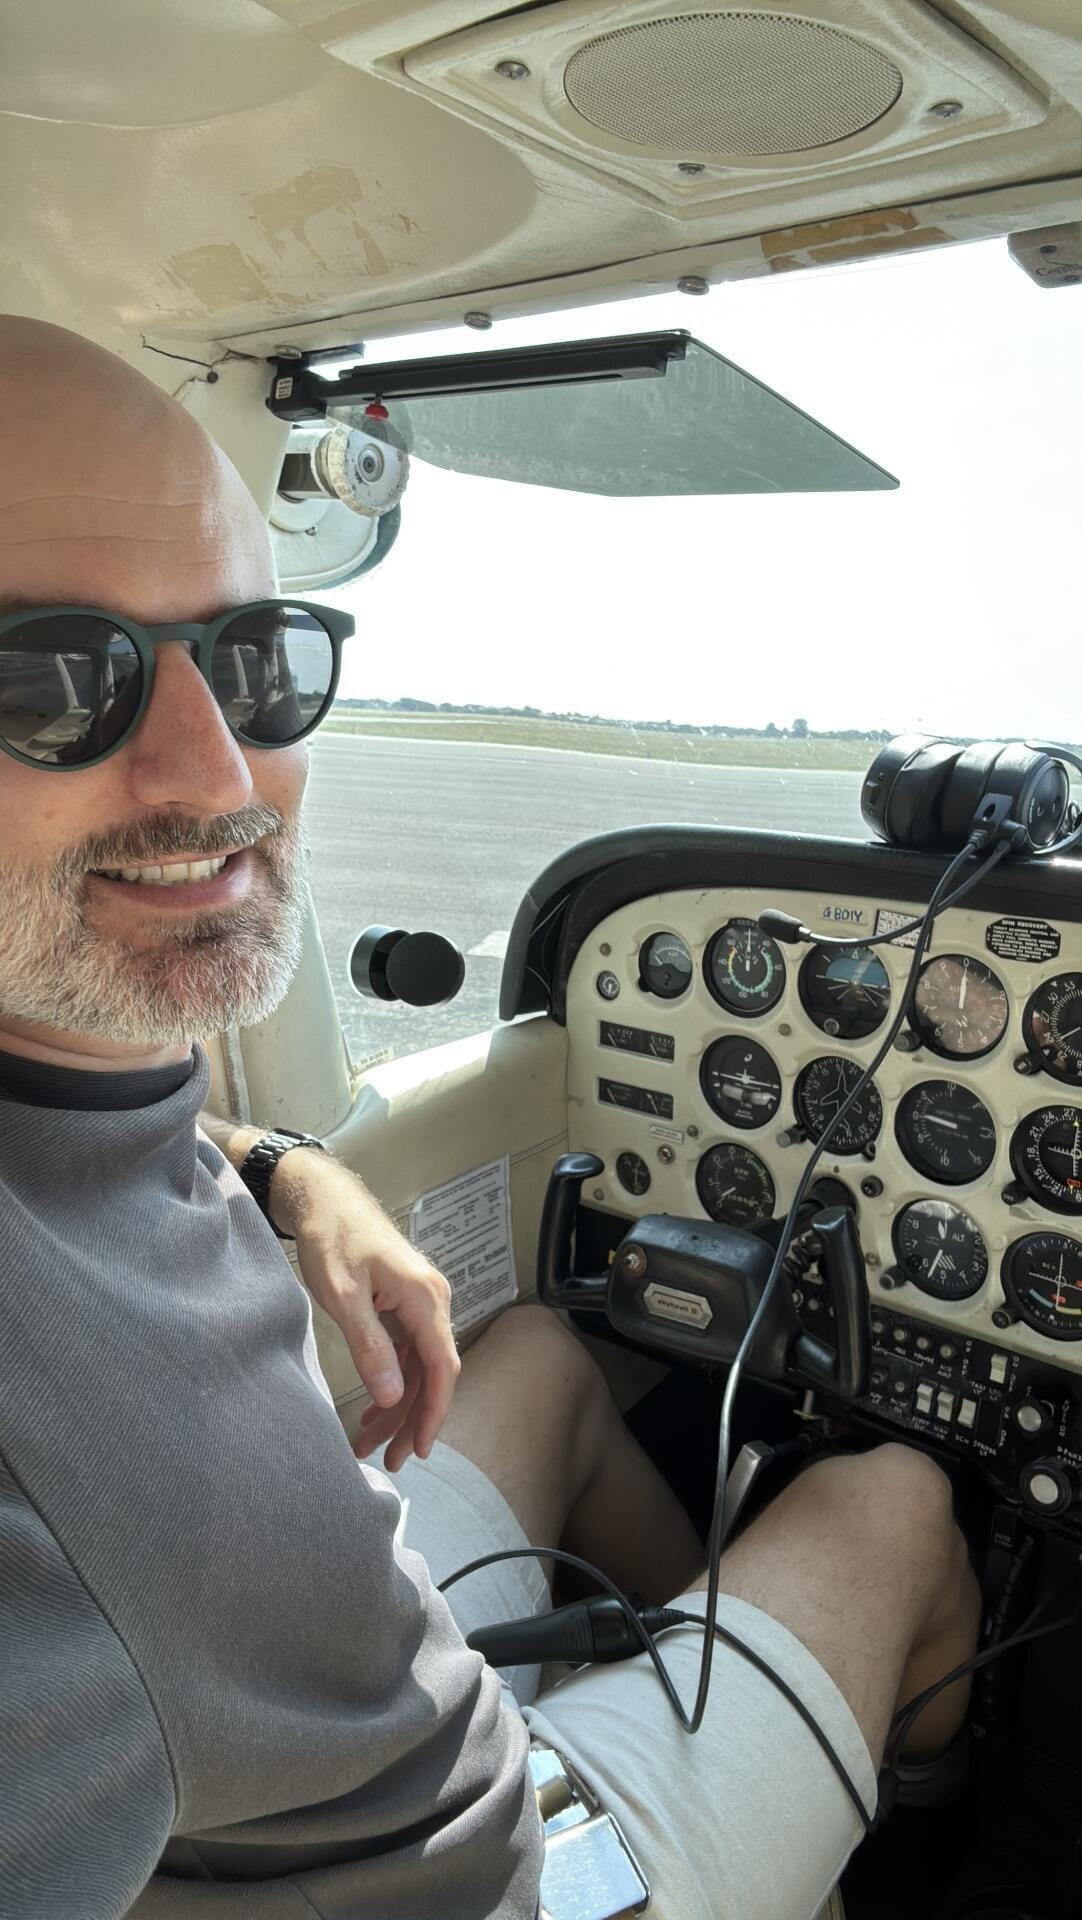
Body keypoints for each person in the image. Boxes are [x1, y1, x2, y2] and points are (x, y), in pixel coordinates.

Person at [0, 316, 980, 1920]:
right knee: (891, 1504)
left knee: (541, 1358)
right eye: (47, 677)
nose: (215, 763)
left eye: (253, 659)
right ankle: (919, 1830)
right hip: (499, 1875)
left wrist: (286, 1167)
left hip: (307, 1690)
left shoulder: (66, 1055)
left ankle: (719, 1690)